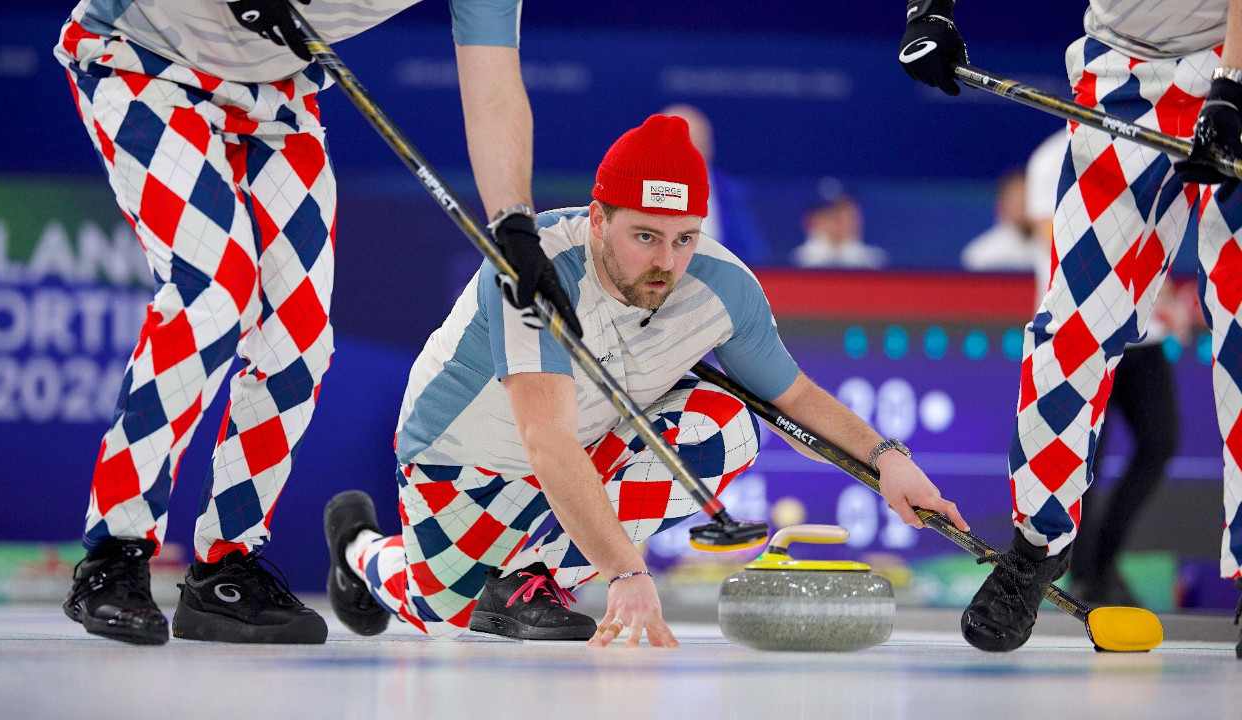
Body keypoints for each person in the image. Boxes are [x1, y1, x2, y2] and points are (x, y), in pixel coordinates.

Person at [321, 115, 969, 647]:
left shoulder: (722, 285)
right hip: (464, 463)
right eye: (645, 236)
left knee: (729, 425)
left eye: (684, 238)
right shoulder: (535, 268)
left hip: (589, 444)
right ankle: (359, 546)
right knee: (438, 611)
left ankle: (530, 579)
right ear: (598, 217)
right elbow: (545, 441)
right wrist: (626, 574)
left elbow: (791, 400)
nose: (666, 262)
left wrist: (888, 460)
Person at [57, 0, 581, 646]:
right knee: (212, 296)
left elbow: (494, 84)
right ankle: (115, 554)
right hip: (143, 56)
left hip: (275, 94)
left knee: (298, 337)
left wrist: (514, 226)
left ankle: (225, 569)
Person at [900, 0, 1242, 653]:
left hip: (1237, 61)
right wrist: (931, 8)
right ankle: (1037, 547)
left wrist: (1232, 85)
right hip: (1125, 64)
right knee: (1073, 329)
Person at [1025, 129, 1187, 607]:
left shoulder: (1150, 142)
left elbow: (1159, 228)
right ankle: (1089, 576)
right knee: (1085, 459)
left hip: (1142, 333)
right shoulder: (1052, 154)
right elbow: (1054, 239)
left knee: (1160, 440)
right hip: (1080, 330)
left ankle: (1102, 560)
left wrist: (1166, 296)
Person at [660, 104, 770, 265]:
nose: (691, 148)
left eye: (698, 139)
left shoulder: (733, 192)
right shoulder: (634, 190)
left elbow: (755, 254)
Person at [791, 178, 886, 269]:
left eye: (847, 213)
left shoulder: (873, 262)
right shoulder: (797, 262)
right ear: (812, 220)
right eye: (833, 214)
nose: (842, 221)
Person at [960, 168, 1037, 272]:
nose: (1023, 205)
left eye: (1027, 198)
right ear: (1001, 204)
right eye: (1016, 199)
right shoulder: (981, 255)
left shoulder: (1052, 250)